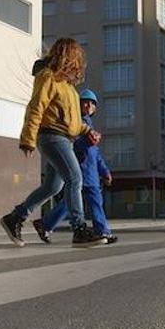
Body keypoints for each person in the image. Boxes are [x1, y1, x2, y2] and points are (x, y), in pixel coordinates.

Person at [0, 38, 106, 247]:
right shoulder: (47, 77)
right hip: (51, 137)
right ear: (67, 58)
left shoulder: (69, 88)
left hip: (64, 138)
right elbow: (36, 107)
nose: (79, 64)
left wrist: (88, 131)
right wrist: (28, 139)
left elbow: (73, 122)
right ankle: (79, 229)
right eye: (76, 59)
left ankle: (15, 217)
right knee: (75, 178)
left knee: (53, 187)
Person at [33, 89, 118, 244]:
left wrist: (104, 171)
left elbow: (95, 153)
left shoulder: (89, 124)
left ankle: (45, 223)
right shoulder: (74, 123)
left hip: (91, 173)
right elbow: (72, 144)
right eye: (85, 102)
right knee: (74, 203)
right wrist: (88, 140)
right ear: (77, 104)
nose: (88, 105)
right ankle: (102, 231)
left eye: (92, 103)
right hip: (78, 169)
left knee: (77, 203)